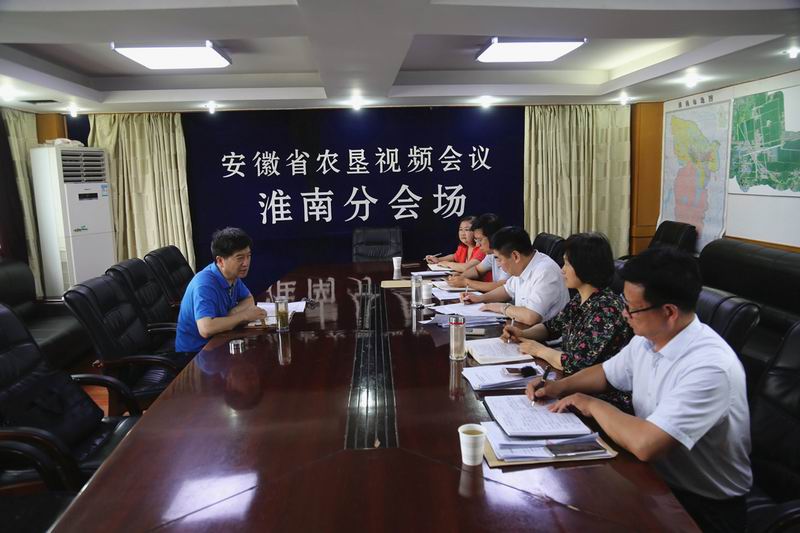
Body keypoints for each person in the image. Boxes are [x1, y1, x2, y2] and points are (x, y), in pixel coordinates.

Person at [527, 247, 752, 532]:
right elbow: (606, 373)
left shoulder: (710, 368)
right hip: (654, 479)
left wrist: (591, 404)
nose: (624, 314)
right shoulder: (648, 338)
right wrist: (558, 386)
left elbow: (647, 444)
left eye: (632, 308)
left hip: (701, 505)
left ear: (669, 312)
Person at [502, 233, 632, 411]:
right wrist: (523, 334)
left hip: (601, 400)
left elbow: (577, 364)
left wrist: (538, 350)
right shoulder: (580, 298)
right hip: (571, 386)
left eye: (567, 264)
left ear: (585, 267)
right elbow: (551, 327)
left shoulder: (607, 309)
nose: (562, 270)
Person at [175, 227, 267, 353]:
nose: (246, 263)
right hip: (196, 352)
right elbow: (206, 329)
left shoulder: (232, 275)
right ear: (220, 261)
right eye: (240, 258)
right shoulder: (205, 284)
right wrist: (244, 316)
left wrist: (231, 314)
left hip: (220, 340)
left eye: (248, 256)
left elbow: (249, 299)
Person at [463, 226, 569, 326]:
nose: (498, 265)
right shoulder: (524, 265)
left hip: (545, 338)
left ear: (515, 256)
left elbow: (531, 316)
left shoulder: (545, 272)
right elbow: (507, 290)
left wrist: (502, 308)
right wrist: (480, 298)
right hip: (524, 330)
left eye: (499, 259)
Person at [447, 213, 509, 293]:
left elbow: (502, 286)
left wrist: (466, 282)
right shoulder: (491, 254)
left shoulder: (508, 253)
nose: (478, 245)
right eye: (476, 240)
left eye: (480, 240)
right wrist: (461, 276)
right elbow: (477, 270)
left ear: (492, 237)